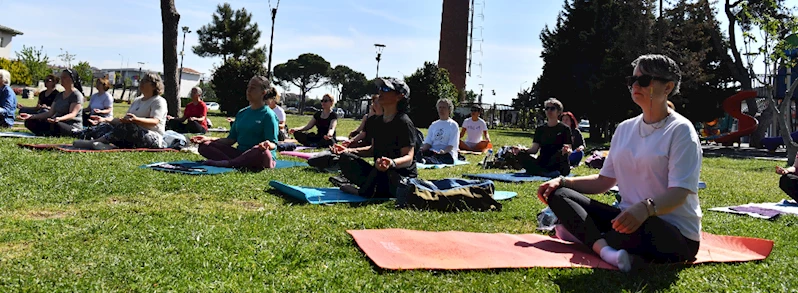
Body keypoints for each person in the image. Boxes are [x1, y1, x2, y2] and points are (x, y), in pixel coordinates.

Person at [537, 54, 702, 272]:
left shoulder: (680, 130)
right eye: (632, 80)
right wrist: (563, 182)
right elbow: (603, 181)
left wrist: (645, 209)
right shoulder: (625, 128)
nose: (635, 85)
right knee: (559, 195)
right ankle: (607, 251)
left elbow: (680, 193)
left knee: (632, 230)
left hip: (670, 231)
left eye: (643, 81)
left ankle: (588, 237)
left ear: (668, 87)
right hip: (626, 220)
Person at [330, 77, 417, 198]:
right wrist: (348, 151)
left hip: (399, 177)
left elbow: (408, 158)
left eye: (386, 89)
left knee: (384, 174)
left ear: (399, 96)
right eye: (381, 88)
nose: (381, 92)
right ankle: (371, 188)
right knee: (346, 158)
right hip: (378, 172)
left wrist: (391, 163)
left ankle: (362, 191)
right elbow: (372, 149)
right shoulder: (377, 122)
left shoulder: (404, 123)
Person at [189, 76, 279, 172]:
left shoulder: (268, 115)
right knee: (205, 146)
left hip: (259, 156)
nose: (248, 91)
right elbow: (231, 140)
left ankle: (228, 163)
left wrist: (267, 144)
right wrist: (208, 139)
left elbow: (274, 144)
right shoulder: (242, 113)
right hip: (240, 154)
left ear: (263, 92)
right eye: (248, 87)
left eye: (252, 88)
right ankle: (236, 162)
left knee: (260, 151)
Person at [73, 72, 167, 149]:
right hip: (131, 134)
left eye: (145, 81)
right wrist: (104, 120)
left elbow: (154, 122)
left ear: (155, 85)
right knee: (106, 126)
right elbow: (124, 120)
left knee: (129, 127)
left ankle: (95, 142)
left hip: (152, 137)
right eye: (142, 80)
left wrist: (135, 120)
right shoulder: (137, 100)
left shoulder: (158, 101)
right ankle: (106, 145)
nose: (141, 83)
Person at [512, 98, 572, 177]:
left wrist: (566, 151)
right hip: (543, 162)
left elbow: (569, 149)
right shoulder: (540, 129)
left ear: (559, 112)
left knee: (560, 154)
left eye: (552, 108)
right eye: (547, 108)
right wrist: (521, 150)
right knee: (521, 155)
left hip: (558, 161)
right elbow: (534, 150)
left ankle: (543, 172)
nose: (549, 111)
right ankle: (543, 172)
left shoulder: (565, 129)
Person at [19, 69, 83, 136]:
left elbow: (72, 114)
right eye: (61, 77)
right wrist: (31, 116)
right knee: (30, 122)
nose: (61, 79)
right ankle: (46, 133)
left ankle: (46, 132)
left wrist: (59, 119)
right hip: (55, 122)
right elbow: (50, 113)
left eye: (64, 77)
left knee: (55, 125)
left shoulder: (76, 95)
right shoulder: (60, 95)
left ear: (72, 79)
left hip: (70, 126)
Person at [418, 98, 460, 164]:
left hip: (447, 153)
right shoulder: (434, 124)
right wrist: (421, 149)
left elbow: (451, 145)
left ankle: (428, 160)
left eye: (444, 107)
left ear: (449, 109)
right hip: (433, 152)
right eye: (440, 107)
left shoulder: (453, 125)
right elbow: (428, 142)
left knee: (444, 158)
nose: (441, 110)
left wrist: (443, 151)